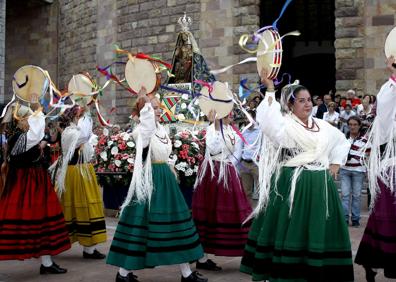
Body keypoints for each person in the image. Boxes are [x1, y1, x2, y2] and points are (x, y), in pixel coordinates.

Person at [240, 70, 354, 282]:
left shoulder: (322, 126)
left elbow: (340, 141)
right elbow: (268, 122)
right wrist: (271, 90)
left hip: (321, 186)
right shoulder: (285, 125)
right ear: (290, 105)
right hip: (293, 184)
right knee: (292, 228)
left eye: (309, 100)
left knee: (318, 229)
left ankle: (319, 271)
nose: (308, 104)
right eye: (301, 101)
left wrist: (336, 163)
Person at [106, 88, 207, 282]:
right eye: (154, 107)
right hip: (149, 181)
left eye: (159, 108)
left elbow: (164, 151)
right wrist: (145, 103)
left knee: (177, 225)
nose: (158, 110)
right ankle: (123, 273)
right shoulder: (141, 131)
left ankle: (186, 273)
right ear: (145, 111)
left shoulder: (161, 129)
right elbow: (147, 127)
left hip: (165, 179)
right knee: (140, 224)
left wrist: (171, 167)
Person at [0, 104, 70, 274]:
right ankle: (46, 263)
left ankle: (46, 263)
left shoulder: (22, 136)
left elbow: (40, 136)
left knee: (43, 223)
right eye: (29, 118)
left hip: (34, 182)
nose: (32, 121)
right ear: (23, 120)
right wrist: (37, 109)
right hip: (27, 184)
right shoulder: (19, 137)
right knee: (23, 222)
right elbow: (37, 133)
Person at [192, 109, 252, 270]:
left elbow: (237, 152)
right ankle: (202, 258)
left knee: (239, 211)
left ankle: (247, 253)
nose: (230, 116)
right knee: (210, 212)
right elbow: (213, 148)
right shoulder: (212, 129)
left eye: (230, 113)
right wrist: (215, 125)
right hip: (212, 172)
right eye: (226, 113)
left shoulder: (233, 130)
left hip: (228, 171)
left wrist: (229, 167)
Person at [355, 56, 396, 281]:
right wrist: (394, 75)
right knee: (386, 221)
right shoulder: (389, 115)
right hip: (393, 172)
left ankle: (371, 264)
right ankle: (373, 264)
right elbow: (387, 104)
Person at [51, 105, 107, 259]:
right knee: (77, 207)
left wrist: (86, 109)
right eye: (80, 116)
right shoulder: (70, 132)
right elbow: (85, 135)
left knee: (87, 207)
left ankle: (89, 249)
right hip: (75, 173)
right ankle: (54, 243)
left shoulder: (74, 130)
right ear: (74, 117)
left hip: (83, 171)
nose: (82, 118)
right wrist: (87, 111)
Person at [340, 116, 368, 227]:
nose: (352, 127)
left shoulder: (364, 140)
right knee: (345, 195)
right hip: (344, 170)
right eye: (350, 124)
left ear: (359, 126)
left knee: (357, 195)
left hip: (358, 171)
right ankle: (345, 219)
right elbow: (338, 153)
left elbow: (367, 156)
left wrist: (367, 171)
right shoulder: (343, 139)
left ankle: (356, 219)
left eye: (355, 124)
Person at [234, 110, 260, 202]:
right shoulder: (243, 131)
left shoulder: (261, 132)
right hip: (244, 164)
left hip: (256, 165)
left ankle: (261, 214)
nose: (246, 120)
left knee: (261, 191)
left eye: (248, 118)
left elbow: (264, 148)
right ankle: (248, 213)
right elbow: (239, 148)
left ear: (254, 119)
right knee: (246, 192)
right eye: (245, 118)